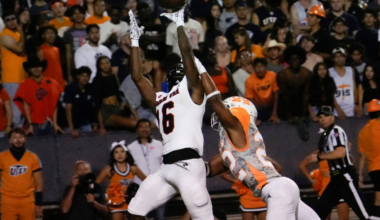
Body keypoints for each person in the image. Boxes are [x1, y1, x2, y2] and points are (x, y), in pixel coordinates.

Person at [198, 63, 320, 219]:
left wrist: (200, 69)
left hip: (276, 190)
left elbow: (215, 101)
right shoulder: (234, 148)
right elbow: (207, 170)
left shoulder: (238, 131)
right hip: (283, 188)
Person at [127, 8, 213, 219]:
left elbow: (137, 77)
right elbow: (187, 56)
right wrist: (179, 25)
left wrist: (135, 42)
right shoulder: (173, 96)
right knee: (134, 212)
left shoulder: (171, 96)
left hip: (188, 164)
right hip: (167, 166)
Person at [313, 105, 378, 220]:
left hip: (344, 176)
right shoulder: (325, 135)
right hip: (336, 178)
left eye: (326, 116)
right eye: (320, 117)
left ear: (332, 117)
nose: (322, 119)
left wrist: (319, 156)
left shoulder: (336, 131)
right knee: (318, 213)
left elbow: (340, 153)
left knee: (366, 214)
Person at [96, 140, 146, 220]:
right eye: (116, 152)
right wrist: (106, 196)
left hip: (131, 203)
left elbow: (147, 181)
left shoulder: (133, 168)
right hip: (116, 205)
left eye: (122, 151)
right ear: (113, 155)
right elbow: (96, 186)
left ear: (126, 154)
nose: (119, 154)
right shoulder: (108, 170)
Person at [14, 55, 63, 136]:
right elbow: (25, 105)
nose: (36, 69)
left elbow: (54, 105)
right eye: (33, 67)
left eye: (38, 66)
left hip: (49, 122)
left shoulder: (52, 83)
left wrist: (55, 124)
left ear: (42, 68)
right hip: (34, 124)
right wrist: (30, 125)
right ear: (29, 69)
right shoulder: (25, 84)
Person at [0, 128, 43, 220]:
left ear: (25, 139)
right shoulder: (2, 157)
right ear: (9, 140)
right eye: (14, 137)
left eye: (21, 137)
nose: (18, 140)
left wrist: (38, 204)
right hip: (8, 200)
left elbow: (39, 183)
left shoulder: (33, 157)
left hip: (27, 201)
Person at [127, 119, 165, 220]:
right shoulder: (130, 148)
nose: (144, 129)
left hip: (158, 188)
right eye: (141, 127)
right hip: (139, 190)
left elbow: (165, 164)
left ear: (151, 129)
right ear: (136, 130)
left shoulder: (159, 145)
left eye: (147, 127)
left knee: (159, 217)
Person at [298, 151, 350, 220]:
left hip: (341, 187)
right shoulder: (319, 152)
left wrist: (333, 173)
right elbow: (302, 165)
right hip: (325, 189)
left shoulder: (339, 151)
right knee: (324, 218)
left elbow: (347, 169)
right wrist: (312, 180)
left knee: (344, 218)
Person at [92, 56, 138, 134]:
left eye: (107, 63)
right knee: (134, 124)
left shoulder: (114, 77)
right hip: (107, 111)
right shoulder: (97, 80)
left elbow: (121, 95)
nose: (105, 65)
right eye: (102, 64)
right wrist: (101, 126)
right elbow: (97, 104)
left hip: (118, 109)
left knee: (140, 122)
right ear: (99, 66)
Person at [0, 11, 27, 128]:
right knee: (16, 113)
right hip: (11, 77)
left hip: (22, 77)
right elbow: (19, 48)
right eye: (8, 20)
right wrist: (21, 30)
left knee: (23, 111)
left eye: (13, 19)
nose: (12, 22)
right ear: (4, 23)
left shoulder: (16, 34)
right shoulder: (4, 35)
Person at [277, 46, 311, 124]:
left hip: (301, 104)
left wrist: (304, 114)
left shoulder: (307, 74)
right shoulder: (282, 75)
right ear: (288, 61)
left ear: (301, 60)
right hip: (286, 106)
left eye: (297, 59)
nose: (295, 62)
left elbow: (306, 94)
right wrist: (290, 116)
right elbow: (284, 95)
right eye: (292, 60)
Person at [358, 99, 380, 216]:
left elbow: (362, 155)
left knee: (378, 197)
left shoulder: (363, 132)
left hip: (373, 170)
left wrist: (360, 175)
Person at [245, 58, 280, 124]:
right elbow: (250, 101)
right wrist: (254, 117)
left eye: (262, 66)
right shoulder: (249, 80)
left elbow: (276, 93)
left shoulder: (272, 75)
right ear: (254, 68)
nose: (259, 69)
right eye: (257, 66)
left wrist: (274, 112)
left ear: (266, 67)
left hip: (271, 107)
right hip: (258, 109)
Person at [329, 47, 360, 118]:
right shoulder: (329, 72)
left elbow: (354, 89)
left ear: (345, 57)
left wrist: (356, 104)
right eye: (336, 56)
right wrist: (337, 108)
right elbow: (329, 92)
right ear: (333, 59)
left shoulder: (351, 70)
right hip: (336, 109)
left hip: (351, 108)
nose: (339, 58)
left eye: (341, 56)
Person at [63, 66, 94, 137]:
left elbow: (95, 107)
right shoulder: (70, 88)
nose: (85, 78)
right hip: (70, 125)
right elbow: (68, 108)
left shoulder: (91, 88)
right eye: (82, 75)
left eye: (87, 76)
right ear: (78, 76)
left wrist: (95, 124)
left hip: (85, 123)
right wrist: (72, 129)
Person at [37, 25, 66, 90]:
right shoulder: (41, 50)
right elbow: (40, 70)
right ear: (43, 35)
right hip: (48, 83)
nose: (51, 35)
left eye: (52, 33)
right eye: (47, 33)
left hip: (59, 82)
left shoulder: (56, 49)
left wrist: (62, 79)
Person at [63, 5, 87, 82]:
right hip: (75, 66)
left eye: (80, 13)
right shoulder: (68, 33)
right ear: (71, 17)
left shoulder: (90, 30)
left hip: (89, 63)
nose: (78, 16)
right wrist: (69, 73)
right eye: (75, 13)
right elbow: (68, 53)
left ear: (84, 15)